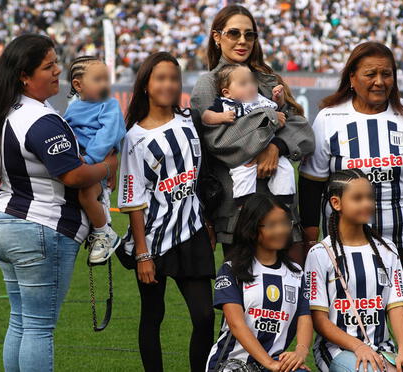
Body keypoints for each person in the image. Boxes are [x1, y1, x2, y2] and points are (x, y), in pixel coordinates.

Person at [298, 42, 403, 370]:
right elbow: (310, 183)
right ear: (352, 78)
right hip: (344, 242)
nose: (379, 81)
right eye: (370, 74)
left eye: (386, 74)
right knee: (345, 310)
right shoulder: (329, 117)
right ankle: (341, 361)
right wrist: (308, 237)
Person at [0, 34, 118, 371]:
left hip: (2, 220)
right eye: (49, 66)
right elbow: (72, 175)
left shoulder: (7, 110)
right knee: (38, 328)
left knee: (22, 322)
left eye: (56, 63)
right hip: (39, 226)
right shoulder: (41, 119)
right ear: (25, 76)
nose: (58, 71)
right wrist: (109, 166)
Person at [190, 4, 314, 264]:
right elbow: (220, 143)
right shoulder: (209, 84)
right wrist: (269, 119)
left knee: (292, 294)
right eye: (234, 33)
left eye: (250, 34)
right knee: (245, 298)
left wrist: (277, 147)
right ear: (217, 37)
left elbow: (302, 130)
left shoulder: (269, 79)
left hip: (282, 210)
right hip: (238, 214)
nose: (242, 41)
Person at [115, 52, 215, 372]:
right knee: (153, 316)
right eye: (160, 78)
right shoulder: (135, 138)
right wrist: (142, 254)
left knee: (204, 316)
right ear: (146, 85)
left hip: (193, 231)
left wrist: (207, 221)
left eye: (173, 78)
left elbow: (201, 177)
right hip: (154, 241)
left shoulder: (189, 120)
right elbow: (133, 200)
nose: (168, 84)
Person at [305, 170, 403, 372]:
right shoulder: (320, 253)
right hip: (337, 349)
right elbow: (319, 319)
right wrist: (358, 347)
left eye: (370, 197)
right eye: (357, 198)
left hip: (382, 348)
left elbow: (396, 306)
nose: (367, 204)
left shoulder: (387, 249)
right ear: (336, 203)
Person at [206, 193, 312, 372]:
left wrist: (300, 352)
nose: (281, 230)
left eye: (285, 223)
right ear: (252, 229)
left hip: (275, 362)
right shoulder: (231, 270)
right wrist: (270, 364)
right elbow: (236, 325)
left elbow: (304, 317)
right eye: (272, 225)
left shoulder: (296, 273)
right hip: (232, 364)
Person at [64, 55, 126, 264]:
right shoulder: (73, 106)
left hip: (96, 163)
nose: (104, 84)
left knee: (86, 195)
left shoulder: (109, 105)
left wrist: (90, 159)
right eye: (98, 80)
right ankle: (96, 225)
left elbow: (108, 135)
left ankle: (104, 233)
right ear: (78, 85)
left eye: (106, 79)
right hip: (80, 162)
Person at [201, 63, 294, 202]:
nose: (250, 86)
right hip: (243, 153)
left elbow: (277, 108)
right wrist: (220, 117)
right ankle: (244, 206)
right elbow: (206, 116)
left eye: (252, 82)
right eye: (243, 83)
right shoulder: (225, 103)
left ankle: (283, 202)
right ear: (227, 92)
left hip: (267, 146)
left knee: (285, 168)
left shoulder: (259, 100)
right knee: (243, 174)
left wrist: (278, 98)